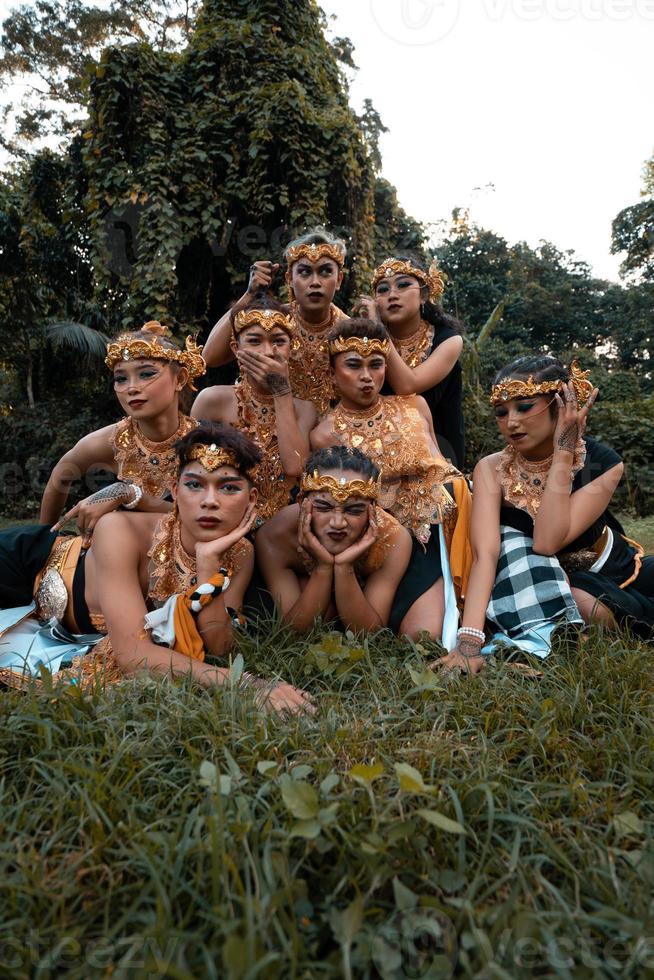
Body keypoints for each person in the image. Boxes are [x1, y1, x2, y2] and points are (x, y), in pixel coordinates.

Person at [1, 424, 311, 712]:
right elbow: (133, 655)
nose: (210, 501)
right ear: (175, 492)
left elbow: (218, 645)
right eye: (194, 485)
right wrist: (246, 683)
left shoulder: (240, 552)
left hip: (67, 627)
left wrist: (208, 567)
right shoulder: (119, 530)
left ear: (251, 498)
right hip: (25, 565)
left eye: (229, 488)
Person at [434, 355, 654, 675]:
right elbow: (501, 551)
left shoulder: (602, 460)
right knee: (582, 602)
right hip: (548, 583)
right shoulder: (491, 469)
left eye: (524, 407)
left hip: (610, 564)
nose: (511, 422)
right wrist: (468, 642)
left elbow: (551, 537)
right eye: (501, 412)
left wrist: (565, 450)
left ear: (559, 405)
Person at [309, 318, 472, 641]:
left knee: (429, 635)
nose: (367, 377)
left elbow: (441, 466)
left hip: (449, 528)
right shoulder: (325, 434)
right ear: (331, 374)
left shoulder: (415, 405)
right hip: (389, 540)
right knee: (420, 636)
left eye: (376, 365)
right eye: (353, 365)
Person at [39, 321, 204, 541]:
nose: (132, 388)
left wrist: (130, 495)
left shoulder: (206, 443)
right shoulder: (110, 441)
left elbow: (209, 517)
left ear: (180, 379)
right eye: (121, 379)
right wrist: (44, 542)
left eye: (146, 374)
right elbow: (60, 476)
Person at [256, 446, 412, 633]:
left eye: (354, 510)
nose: (338, 523)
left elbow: (370, 635)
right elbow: (293, 633)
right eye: (323, 507)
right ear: (301, 502)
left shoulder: (393, 539)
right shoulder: (275, 536)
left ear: (373, 510)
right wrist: (323, 567)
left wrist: (344, 567)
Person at [191, 294, 316, 521]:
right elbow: (192, 475)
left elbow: (295, 467)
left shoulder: (305, 409)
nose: (268, 352)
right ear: (235, 348)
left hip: (284, 523)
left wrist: (281, 391)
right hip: (222, 517)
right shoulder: (212, 400)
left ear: (291, 347)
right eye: (255, 341)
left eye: (278, 341)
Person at [202, 228, 347, 414]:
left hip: (328, 436)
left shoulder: (348, 331)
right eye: (305, 272)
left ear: (339, 279)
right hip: (272, 427)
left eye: (325, 272)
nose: (315, 282)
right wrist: (249, 295)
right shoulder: (274, 320)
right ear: (289, 279)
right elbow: (209, 358)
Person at [356, 256, 465, 467]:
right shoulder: (364, 341)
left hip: (437, 452)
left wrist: (379, 331)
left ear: (424, 295)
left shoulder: (449, 340)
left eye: (404, 285)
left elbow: (408, 386)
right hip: (374, 448)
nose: (392, 295)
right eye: (383, 289)